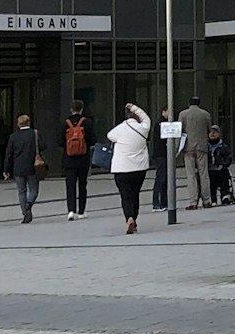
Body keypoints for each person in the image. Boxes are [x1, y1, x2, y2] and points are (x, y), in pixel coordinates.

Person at [106, 103, 152, 235]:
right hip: (139, 168)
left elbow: (110, 135)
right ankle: (134, 219)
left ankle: (129, 218)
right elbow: (146, 118)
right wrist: (134, 108)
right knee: (135, 194)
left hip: (121, 168)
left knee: (125, 195)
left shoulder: (119, 129)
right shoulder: (144, 128)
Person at [0, 113, 44, 224]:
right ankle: (29, 204)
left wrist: (6, 169)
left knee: (21, 191)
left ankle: (25, 212)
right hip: (33, 166)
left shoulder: (13, 136)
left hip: (18, 167)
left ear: (18, 124)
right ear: (29, 122)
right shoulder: (34, 134)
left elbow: (8, 154)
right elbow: (43, 146)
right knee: (34, 190)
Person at [60, 100, 96, 220]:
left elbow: (59, 142)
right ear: (82, 109)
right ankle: (81, 211)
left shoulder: (65, 123)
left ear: (71, 109)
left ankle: (71, 210)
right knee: (82, 184)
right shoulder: (87, 122)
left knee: (70, 185)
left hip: (68, 159)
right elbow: (93, 140)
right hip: (83, 158)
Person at [179, 97, 214, 208]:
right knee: (204, 173)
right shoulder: (205, 114)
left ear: (189, 103)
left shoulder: (183, 114)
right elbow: (210, 129)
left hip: (188, 146)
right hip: (202, 146)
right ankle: (207, 200)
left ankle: (193, 201)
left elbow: (180, 130)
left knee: (191, 175)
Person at [205, 126, 235, 206]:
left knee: (224, 174)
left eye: (215, 132)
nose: (212, 134)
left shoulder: (224, 147)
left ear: (219, 134)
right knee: (210, 177)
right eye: (211, 132)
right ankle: (213, 198)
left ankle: (225, 196)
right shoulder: (205, 147)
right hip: (209, 169)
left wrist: (222, 164)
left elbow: (228, 159)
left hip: (220, 168)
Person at [150, 107, 174, 212]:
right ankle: (157, 203)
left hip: (163, 153)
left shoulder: (164, 123)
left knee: (165, 179)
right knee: (161, 178)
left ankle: (164, 202)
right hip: (160, 154)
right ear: (163, 112)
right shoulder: (161, 123)